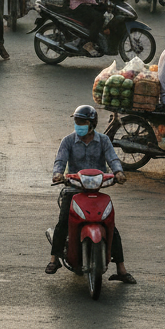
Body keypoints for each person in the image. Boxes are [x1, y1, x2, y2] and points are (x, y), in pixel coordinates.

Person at [46, 105, 133, 282]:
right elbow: (60, 160)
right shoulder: (68, 141)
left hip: (96, 190)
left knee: (111, 227)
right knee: (63, 222)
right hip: (73, 189)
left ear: (92, 123)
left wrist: (118, 172)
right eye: (76, 121)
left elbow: (113, 158)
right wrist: (58, 174)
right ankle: (54, 259)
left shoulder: (103, 141)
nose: (78, 125)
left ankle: (121, 269)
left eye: (82, 122)